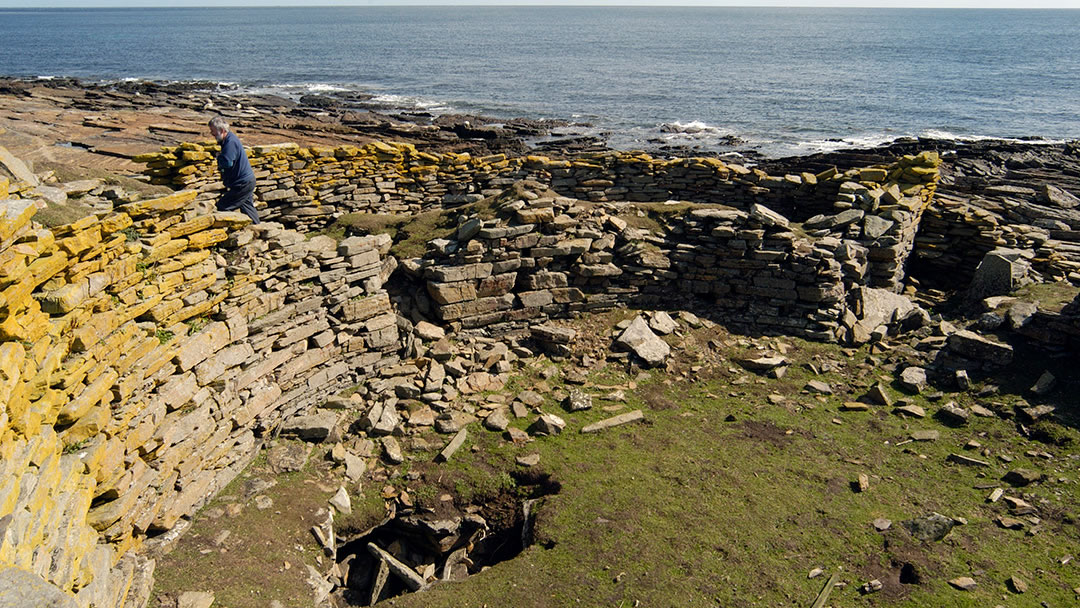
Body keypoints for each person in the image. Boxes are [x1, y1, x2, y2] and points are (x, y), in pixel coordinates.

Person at [208, 116, 259, 224]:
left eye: (213, 131)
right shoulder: (229, 139)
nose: (211, 133)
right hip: (246, 181)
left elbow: (227, 162)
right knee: (247, 207)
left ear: (222, 130)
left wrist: (218, 157)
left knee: (223, 206)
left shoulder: (230, 142)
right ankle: (260, 229)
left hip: (242, 183)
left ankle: (224, 233)